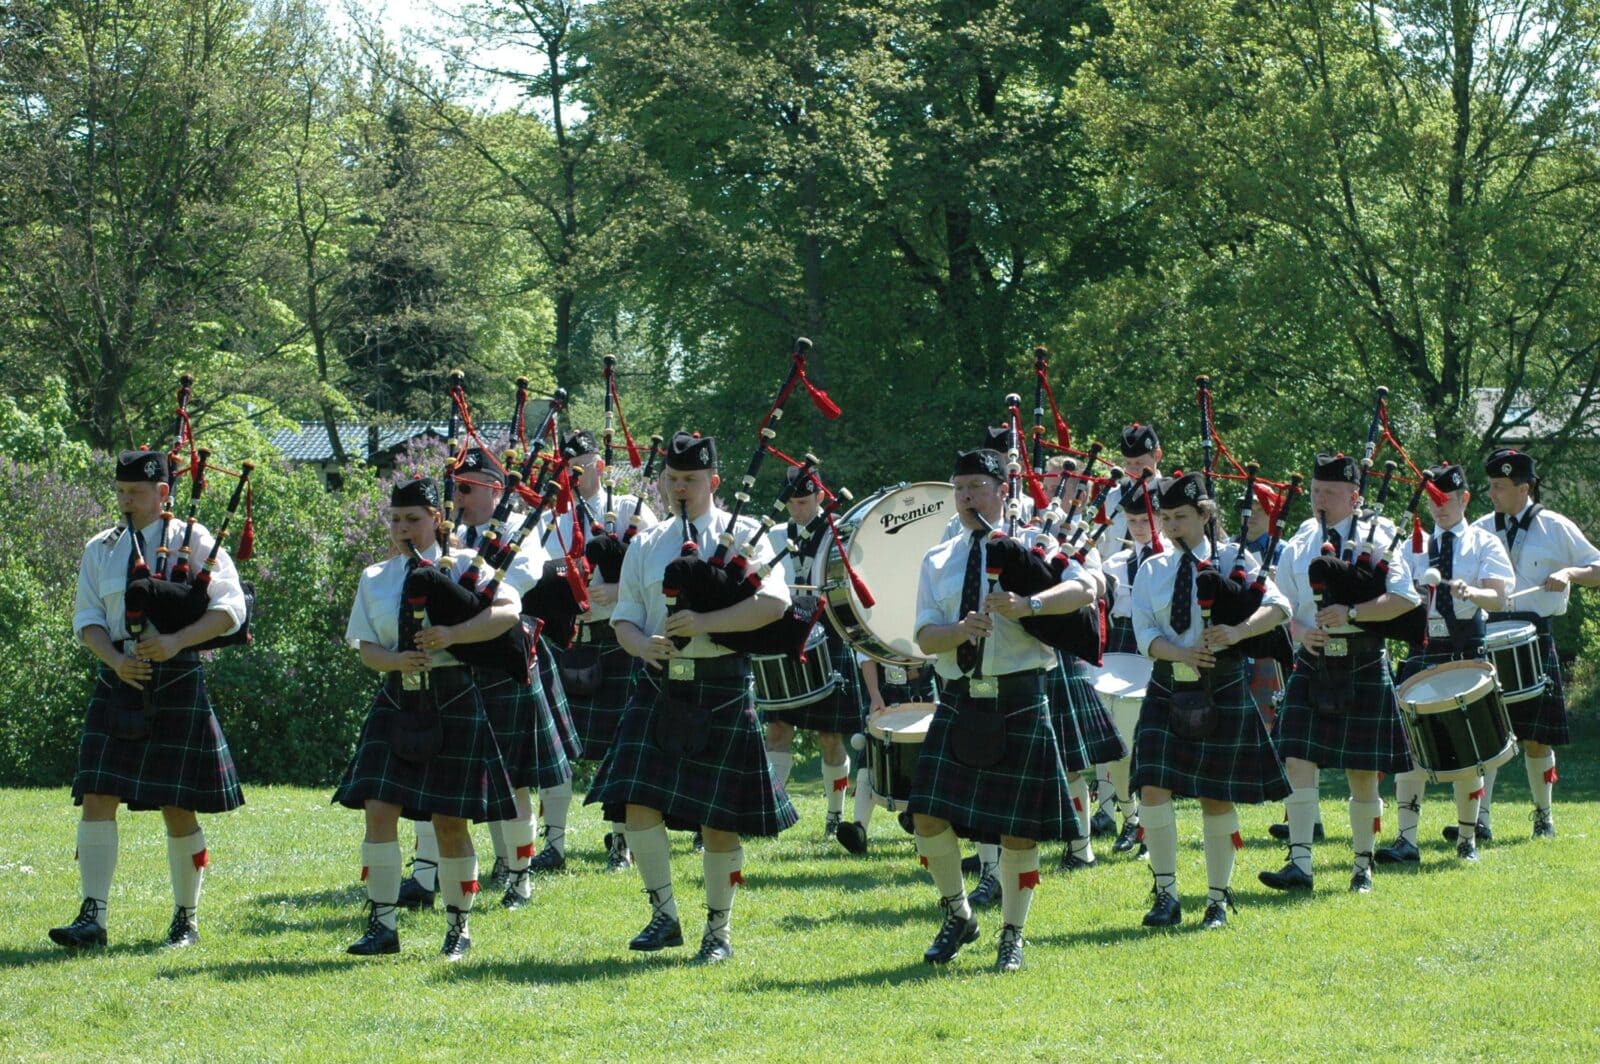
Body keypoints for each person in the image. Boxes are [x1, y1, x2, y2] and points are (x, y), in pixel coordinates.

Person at [585, 431, 796, 964]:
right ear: (661, 481)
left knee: (719, 817)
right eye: (673, 479)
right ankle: (663, 915)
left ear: (713, 482)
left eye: (692, 480)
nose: (681, 488)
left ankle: (718, 931)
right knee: (636, 804)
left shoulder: (745, 533)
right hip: (659, 683)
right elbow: (625, 616)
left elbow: (773, 604)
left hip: (721, 683)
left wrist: (706, 621)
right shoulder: (646, 543)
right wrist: (640, 645)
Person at [51, 449, 249, 950]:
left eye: (135, 493)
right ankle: (92, 916)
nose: (125, 501)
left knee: (177, 803)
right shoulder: (102, 547)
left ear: (163, 493)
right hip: (121, 677)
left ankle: (186, 919)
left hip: (177, 676)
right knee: (97, 795)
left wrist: (178, 642)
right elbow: (88, 619)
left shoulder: (195, 539)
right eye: (120, 492)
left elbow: (232, 609)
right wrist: (115, 661)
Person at [908, 448, 1087, 972]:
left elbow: (1086, 588)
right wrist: (959, 631)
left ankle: (1013, 932)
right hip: (961, 698)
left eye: (977, 486)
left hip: (1020, 696)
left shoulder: (1035, 545)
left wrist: (1030, 604)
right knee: (926, 816)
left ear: (1002, 491)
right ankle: (959, 912)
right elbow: (922, 637)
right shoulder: (938, 559)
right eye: (959, 487)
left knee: (1018, 829)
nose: (966, 497)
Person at [334, 475, 523, 959]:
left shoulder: (464, 566)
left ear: (436, 520)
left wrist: (453, 635)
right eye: (396, 520)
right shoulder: (376, 576)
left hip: (452, 695)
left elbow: (508, 612)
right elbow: (366, 648)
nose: (402, 528)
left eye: (413, 520)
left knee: (449, 822)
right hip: (398, 698)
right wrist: (395, 661)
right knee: (378, 810)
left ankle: (458, 928)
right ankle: (382, 925)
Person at [1129, 473, 1293, 930]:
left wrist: (1238, 632)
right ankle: (1166, 894)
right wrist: (1181, 652)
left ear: (1205, 514)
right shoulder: (1152, 570)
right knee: (1153, 790)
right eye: (1165, 518)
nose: (1171, 527)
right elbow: (1145, 634)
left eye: (1181, 517)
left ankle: (1218, 900)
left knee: (1216, 797)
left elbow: (1281, 608)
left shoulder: (1234, 560)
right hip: (1169, 683)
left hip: (1221, 686)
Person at [1262, 454, 1422, 895]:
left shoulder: (1381, 538)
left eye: (1329, 493)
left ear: (1354, 496)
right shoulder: (1300, 542)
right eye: (1315, 491)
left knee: (1363, 771)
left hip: (1363, 657)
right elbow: (1285, 607)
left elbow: (1405, 599)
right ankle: (1299, 862)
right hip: (1313, 661)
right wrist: (1301, 631)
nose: (1319, 500)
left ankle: (1362, 866)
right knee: (1297, 758)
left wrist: (1352, 611)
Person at [532, 429, 659, 874]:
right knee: (557, 750)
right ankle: (554, 844)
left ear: (600, 466)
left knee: (619, 747)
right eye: (567, 467)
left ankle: (620, 843)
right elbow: (538, 577)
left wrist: (616, 587)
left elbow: (651, 567)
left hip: (616, 642)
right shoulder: (552, 519)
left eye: (581, 465)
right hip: (568, 641)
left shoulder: (629, 509)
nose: (573, 474)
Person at [1375, 462, 1512, 864]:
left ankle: (1467, 840)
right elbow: (1395, 591)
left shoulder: (1483, 544)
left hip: (1466, 648)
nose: (1439, 509)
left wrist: (1474, 592)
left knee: (1467, 749)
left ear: (1464, 498)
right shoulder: (1413, 545)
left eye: (1447, 500)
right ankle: (1406, 841)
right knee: (1411, 748)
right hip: (1422, 648)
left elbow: (1500, 596)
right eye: (1433, 502)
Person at [1474, 448, 1600, 839]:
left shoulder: (1555, 526)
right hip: (1488, 630)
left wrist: (1569, 572)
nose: (1492, 493)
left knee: (1536, 736)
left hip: (1534, 632)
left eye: (1499, 486)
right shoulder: (1478, 530)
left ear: (1523, 487)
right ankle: (1481, 820)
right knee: (1487, 732)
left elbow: (1598, 567)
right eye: (1491, 485)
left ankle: (1543, 816)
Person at [759, 465, 859, 845]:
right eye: (792, 504)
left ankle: (835, 816)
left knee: (830, 736)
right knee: (777, 729)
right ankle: (772, 813)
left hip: (828, 636)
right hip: (786, 636)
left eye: (803, 502)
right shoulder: (773, 536)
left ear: (820, 497)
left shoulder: (839, 537)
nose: (796, 510)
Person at [1091, 475, 1167, 856]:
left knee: (1149, 751)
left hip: (1160, 653)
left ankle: (1152, 830)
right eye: (1133, 522)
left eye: (1145, 522)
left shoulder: (1172, 560)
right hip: (1122, 654)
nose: (1138, 529)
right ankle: (1131, 818)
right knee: (1118, 749)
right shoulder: (1115, 563)